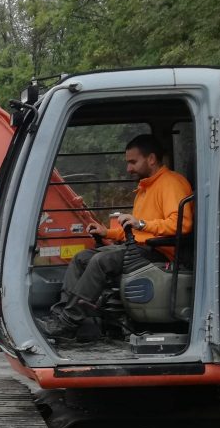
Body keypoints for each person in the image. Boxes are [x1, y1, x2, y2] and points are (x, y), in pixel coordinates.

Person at [39, 134, 193, 341]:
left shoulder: (171, 183)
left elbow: (181, 225)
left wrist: (141, 223)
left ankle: (68, 322)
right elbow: (135, 231)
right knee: (81, 258)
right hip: (140, 248)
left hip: (160, 252)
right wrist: (107, 233)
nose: (128, 168)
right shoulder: (145, 187)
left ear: (152, 159)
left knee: (100, 261)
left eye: (133, 162)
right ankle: (61, 316)